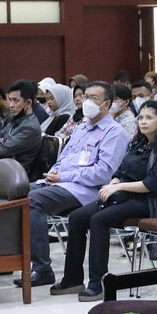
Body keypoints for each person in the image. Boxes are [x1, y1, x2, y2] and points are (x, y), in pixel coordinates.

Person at [51, 101, 157, 302]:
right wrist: (113, 183)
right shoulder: (139, 143)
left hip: (151, 202)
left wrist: (119, 187)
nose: (143, 122)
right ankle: (72, 279)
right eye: (141, 117)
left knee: (99, 220)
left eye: (149, 118)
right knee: (77, 217)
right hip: (126, 196)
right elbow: (120, 171)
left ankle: (99, 284)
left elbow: (152, 184)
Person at [20, 81, 129, 287]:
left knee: (31, 200)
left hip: (86, 190)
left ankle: (42, 269)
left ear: (106, 104)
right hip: (61, 183)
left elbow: (103, 173)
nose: (87, 102)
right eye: (86, 97)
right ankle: (9, 260)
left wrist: (63, 177)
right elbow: (64, 157)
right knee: (15, 193)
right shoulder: (81, 127)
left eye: (94, 98)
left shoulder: (115, 133)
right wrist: (55, 172)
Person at [0, 79, 43, 175]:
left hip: (14, 176)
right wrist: (1, 144)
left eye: (16, 101)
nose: (11, 105)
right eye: (10, 100)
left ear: (28, 103)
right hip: (0, 171)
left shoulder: (30, 128)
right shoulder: (14, 121)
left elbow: (0, 152)